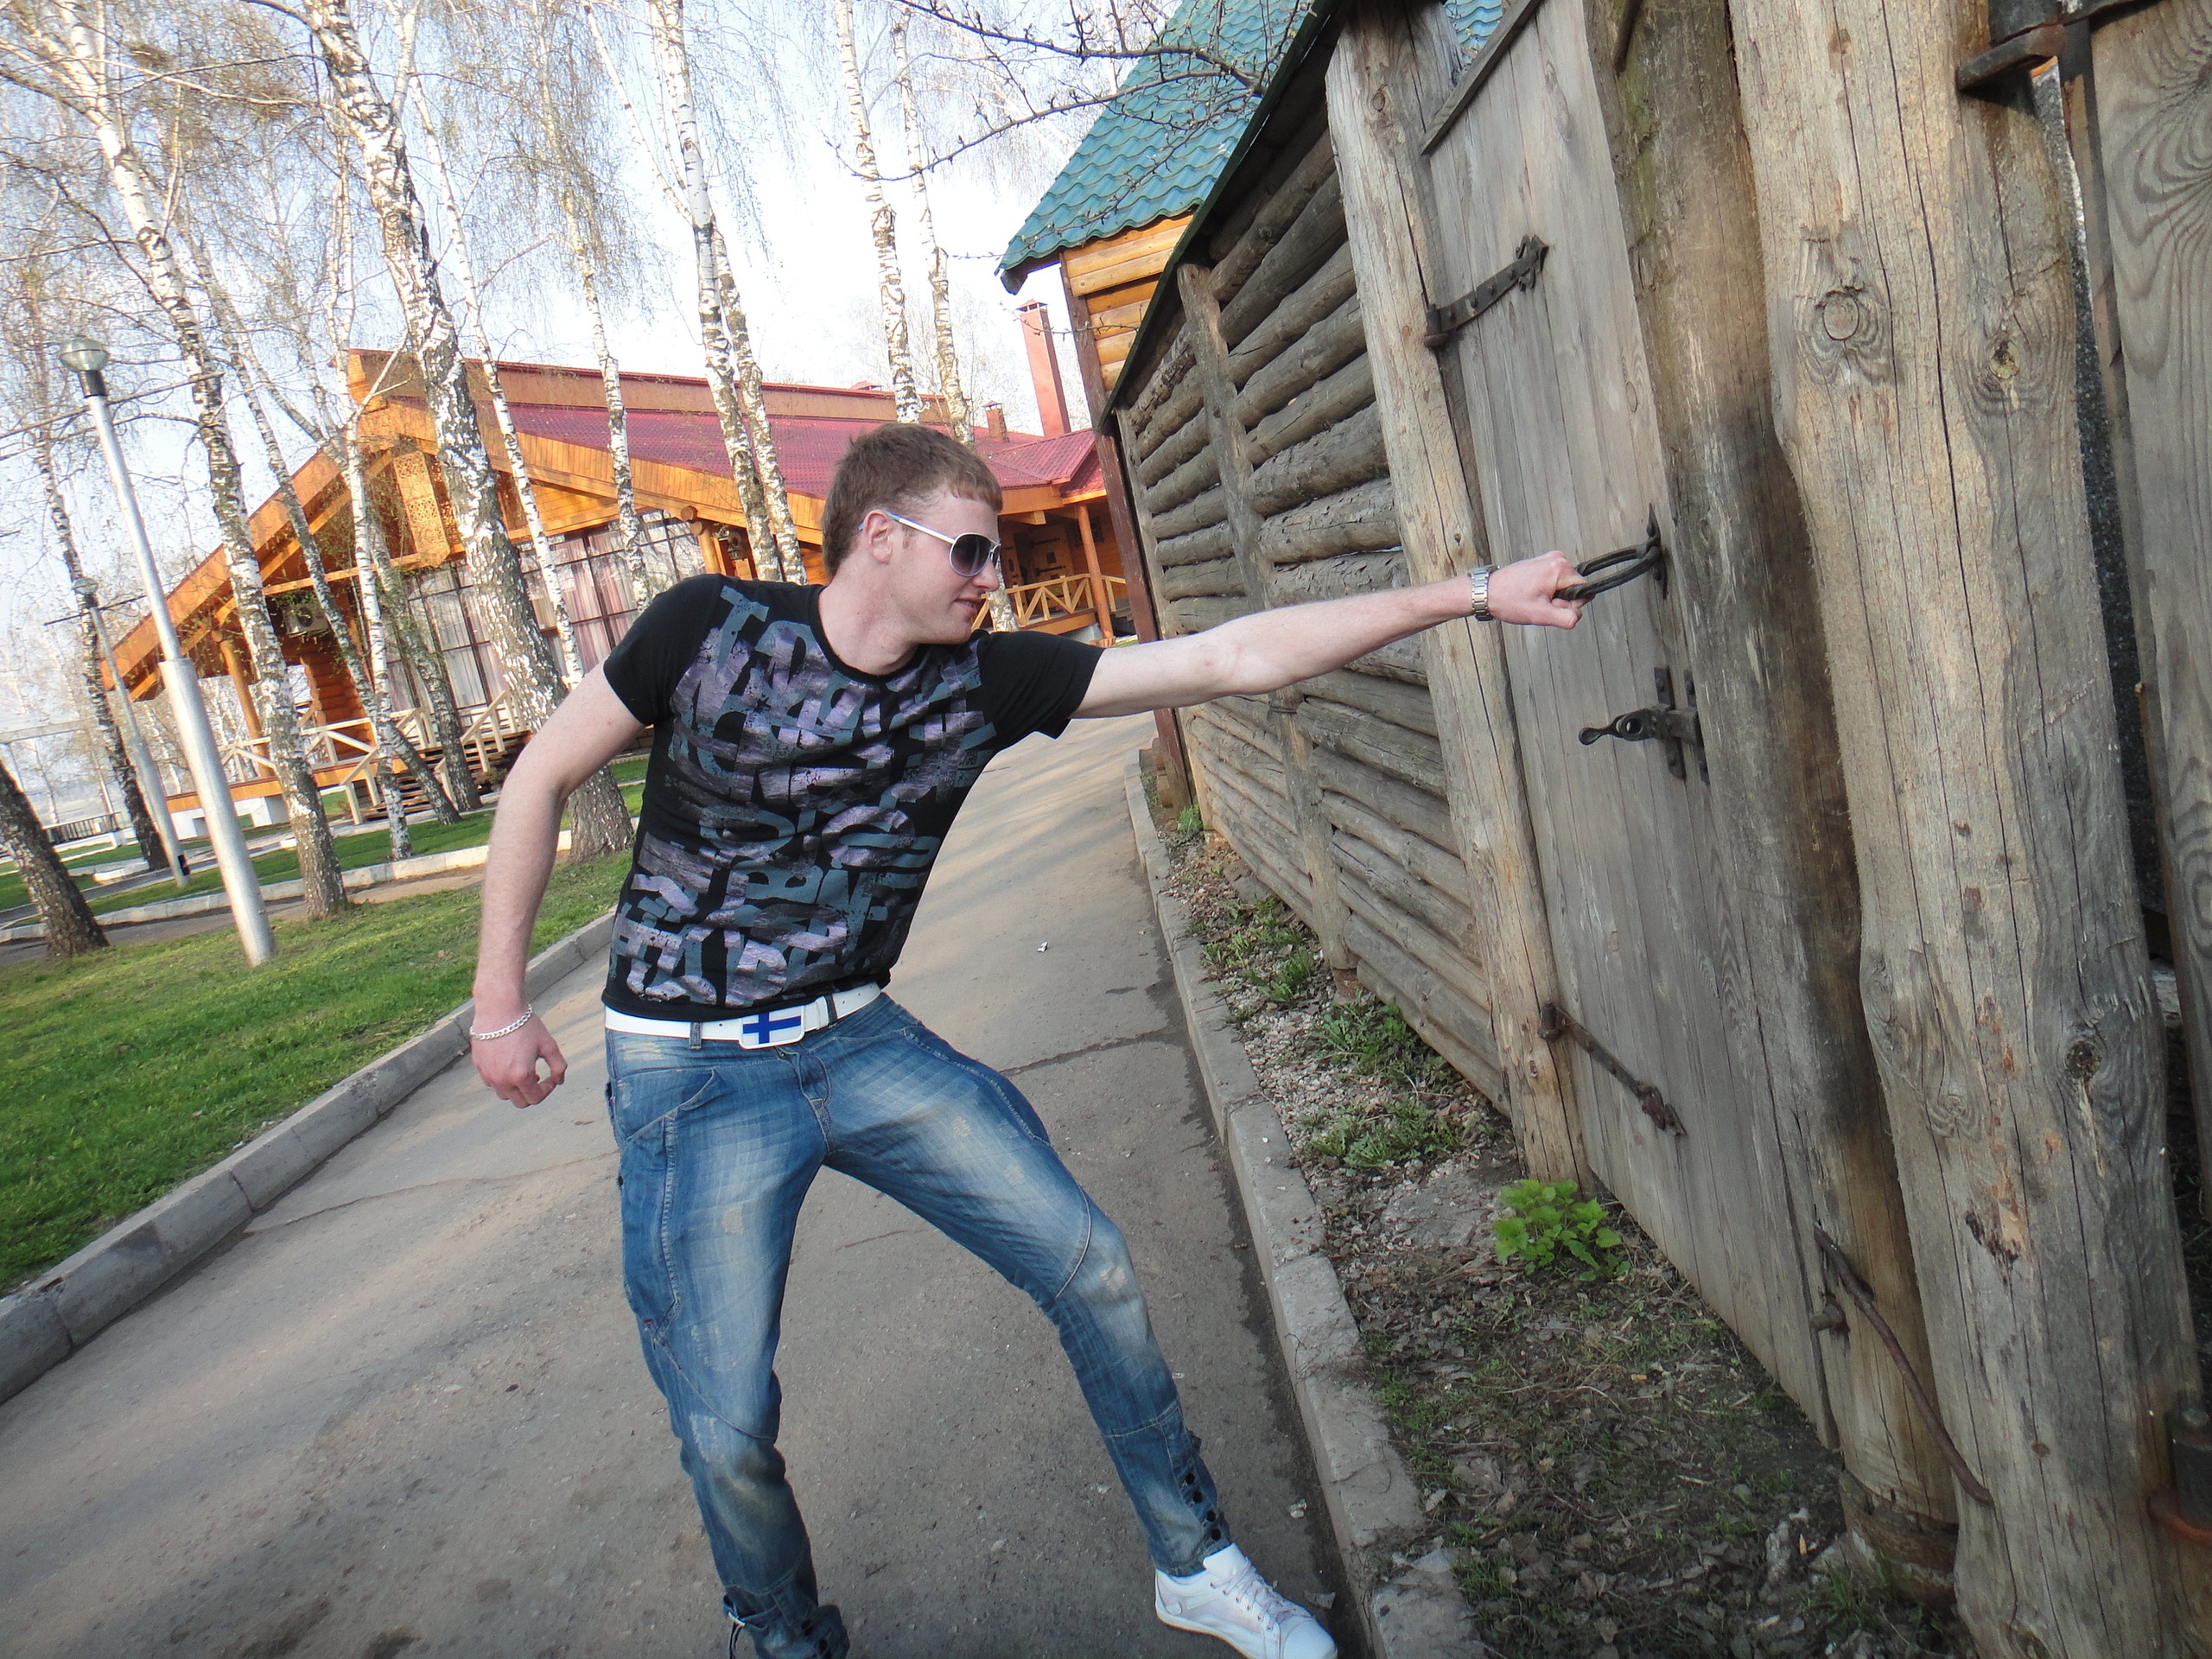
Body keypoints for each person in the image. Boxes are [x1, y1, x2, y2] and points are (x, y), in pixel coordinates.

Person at [468, 423, 1582, 1659]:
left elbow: (1233, 656)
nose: (989, 578)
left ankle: (1196, 1563)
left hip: (858, 1041)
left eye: (992, 556)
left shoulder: (985, 680)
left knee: (1090, 1263)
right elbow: (538, 779)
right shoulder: (706, 625)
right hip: (688, 1073)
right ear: (878, 536)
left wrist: (1473, 594)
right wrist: (499, 1003)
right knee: (724, 1424)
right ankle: (778, 1637)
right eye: (970, 552)